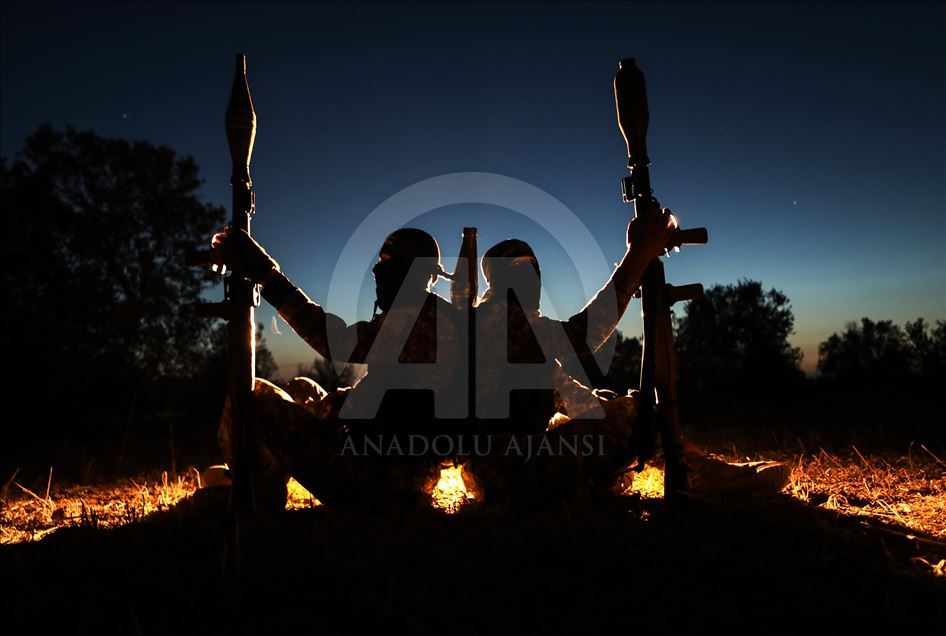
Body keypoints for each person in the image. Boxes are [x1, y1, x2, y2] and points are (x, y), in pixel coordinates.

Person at [209, 227, 463, 509]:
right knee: (302, 388)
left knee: (248, 396)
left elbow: (333, 340)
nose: (378, 270)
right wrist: (335, 404)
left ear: (415, 272)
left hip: (374, 480)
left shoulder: (419, 321)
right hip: (393, 470)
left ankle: (256, 497)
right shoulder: (429, 315)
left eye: (388, 262)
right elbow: (387, 395)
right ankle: (263, 480)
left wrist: (267, 276)